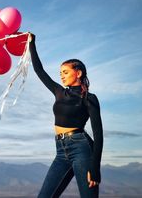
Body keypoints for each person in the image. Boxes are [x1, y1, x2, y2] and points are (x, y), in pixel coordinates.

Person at [29, 33, 103, 198]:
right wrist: (31, 43)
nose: (61, 75)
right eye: (60, 72)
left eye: (65, 72)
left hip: (82, 149)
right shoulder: (59, 92)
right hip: (61, 151)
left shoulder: (89, 98)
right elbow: (39, 70)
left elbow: (98, 135)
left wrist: (95, 167)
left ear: (78, 73)